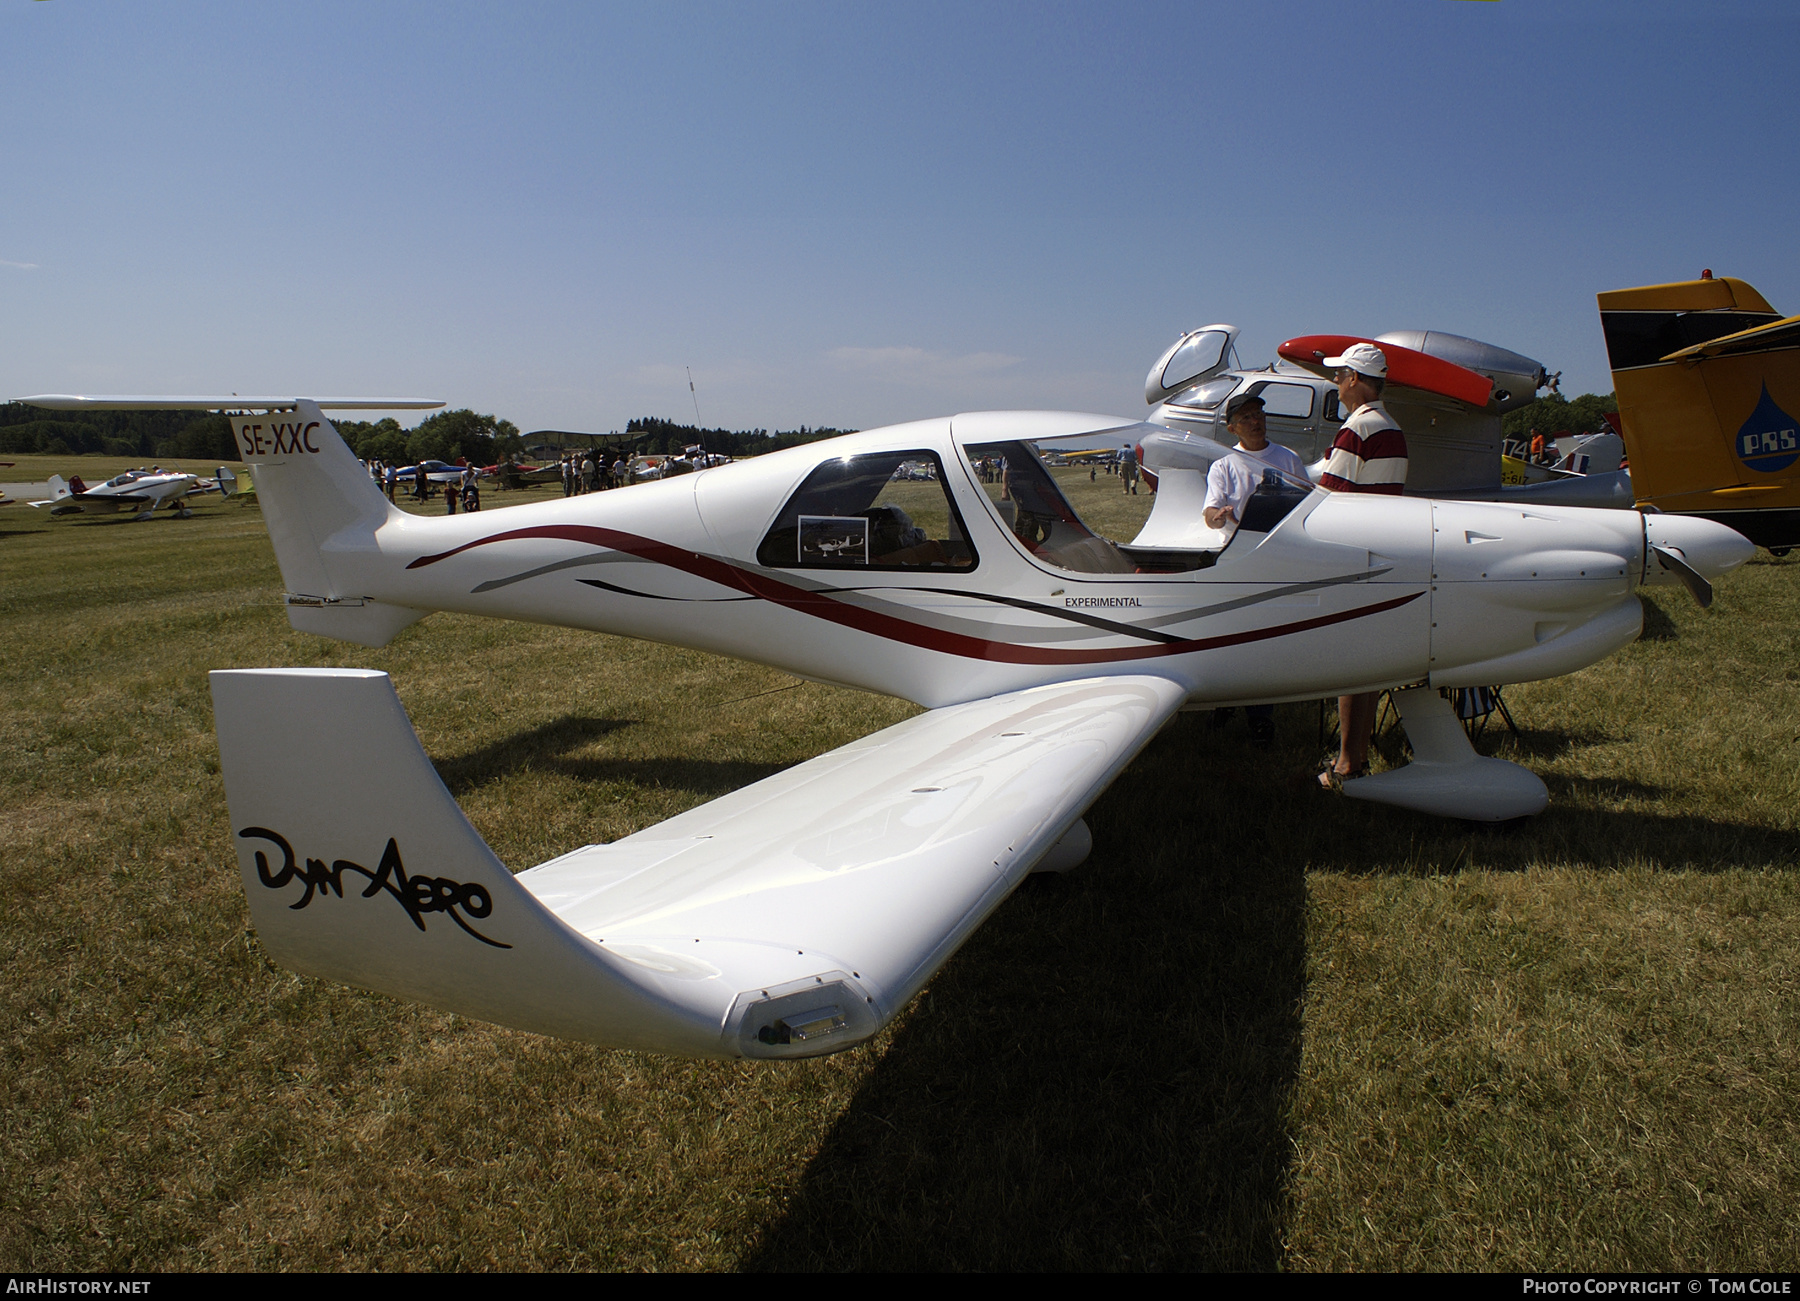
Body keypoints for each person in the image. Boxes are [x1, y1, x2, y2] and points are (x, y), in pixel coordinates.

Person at [1316, 343, 1407, 788]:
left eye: (1339, 376)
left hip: (1350, 552)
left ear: (1354, 379)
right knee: (1366, 662)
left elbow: (1329, 497)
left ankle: (1348, 763)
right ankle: (1356, 755)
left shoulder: (1358, 429)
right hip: (1378, 549)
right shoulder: (1390, 426)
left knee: (1349, 662)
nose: (1335, 383)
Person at [1203, 390, 1309, 744]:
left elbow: (1306, 503)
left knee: (1263, 637)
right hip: (1238, 557)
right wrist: (1218, 517)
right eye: (1246, 417)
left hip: (1277, 557)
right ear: (1233, 428)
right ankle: (1224, 702)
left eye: (1258, 415)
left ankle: (1261, 715)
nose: (1255, 421)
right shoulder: (1223, 465)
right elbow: (1210, 514)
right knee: (1229, 633)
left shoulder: (1288, 458)